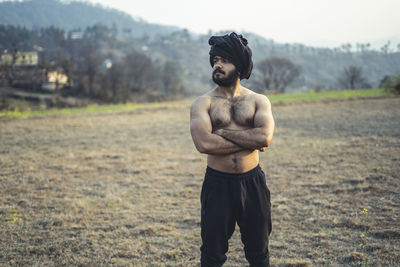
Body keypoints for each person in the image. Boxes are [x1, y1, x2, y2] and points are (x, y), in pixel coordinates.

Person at [190, 32, 275, 267]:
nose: (217, 65)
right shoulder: (203, 103)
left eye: (224, 60)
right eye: (215, 60)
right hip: (218, 185)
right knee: (212, 255)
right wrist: (250, 139)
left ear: (239, 66)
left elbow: (265, 137)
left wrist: (224, 132)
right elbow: (204, 144)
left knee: (259, 253)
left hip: (253, 183)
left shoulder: (259, 100)